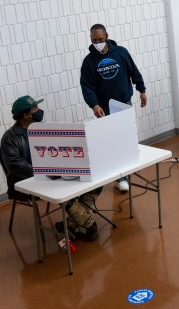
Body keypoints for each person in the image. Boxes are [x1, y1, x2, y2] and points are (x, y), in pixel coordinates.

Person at [0, 96, 101, 241]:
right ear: (25, 115)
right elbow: (15, 165)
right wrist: (44, 172)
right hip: (27, 182)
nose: (39, 110)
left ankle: (70, 224)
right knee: (64, 192)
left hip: (51, 173)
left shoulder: (42, 128)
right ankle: (89, 224)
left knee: (95, 183)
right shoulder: (9, 138)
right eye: (35, 109)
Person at [80, 23, 147, 192]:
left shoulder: (121, 53)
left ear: (107, 36)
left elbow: (134, 72)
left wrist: (142, 90)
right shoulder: (89, 62)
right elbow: (86, 86)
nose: (98, 43)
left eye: (101, 39)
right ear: (91, 39)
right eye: (95, 40)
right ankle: (120, 178)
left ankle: (129, 169)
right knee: (113, 142)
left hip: (124, 103)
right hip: (104, 108)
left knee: (127, 138)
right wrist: (94, 105)